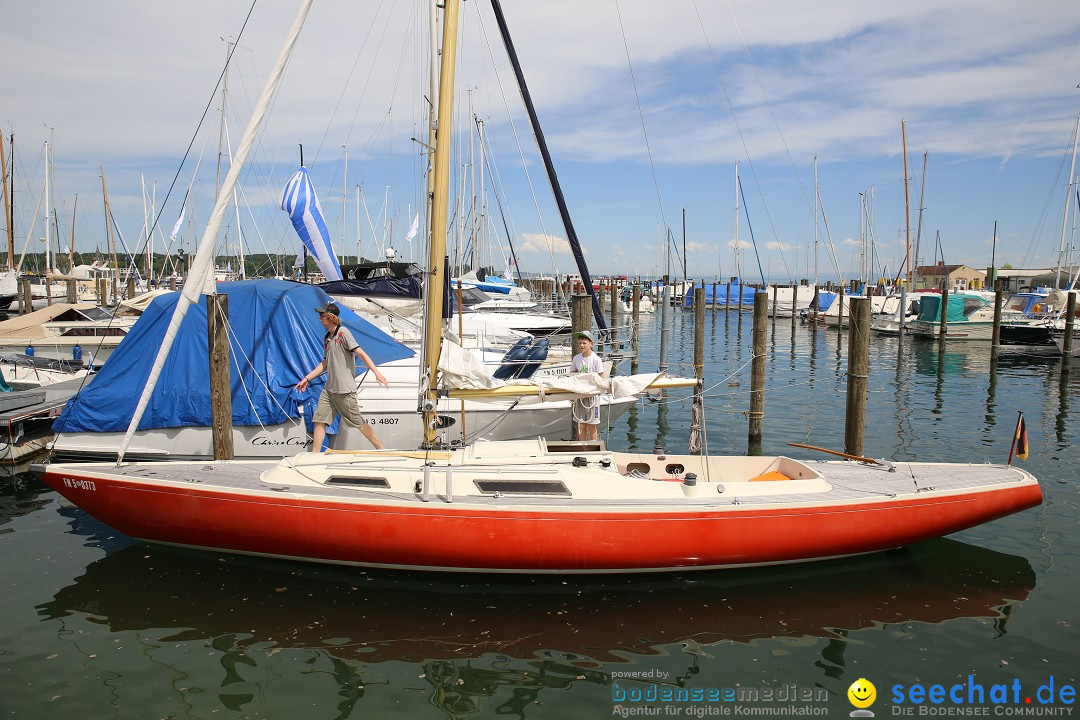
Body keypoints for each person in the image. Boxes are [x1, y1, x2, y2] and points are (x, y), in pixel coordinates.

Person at [295, 302, 390, 452]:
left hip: (344, 390)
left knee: (357, 421)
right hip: (329, 390)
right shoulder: (327, 337)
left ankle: (381, 449)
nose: (319, 318)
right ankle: (315, 455)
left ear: (330, 317)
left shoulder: (343, 333)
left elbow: (361, 353)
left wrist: (377, 373)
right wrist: (307, 378)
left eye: (322, 315)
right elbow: (325, 363)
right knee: (319, 420)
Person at [570, 330, 605, 441]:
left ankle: (593, 445)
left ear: (591, 344)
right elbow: (572, 374)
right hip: (580, 395)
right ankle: (582, 446)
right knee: (581, 424)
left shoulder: (596, 359)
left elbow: (601, 376)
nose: (582, 345)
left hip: (592, 396)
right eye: (580, 343)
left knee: (592, 424)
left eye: (584, 343)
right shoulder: (576, 359)